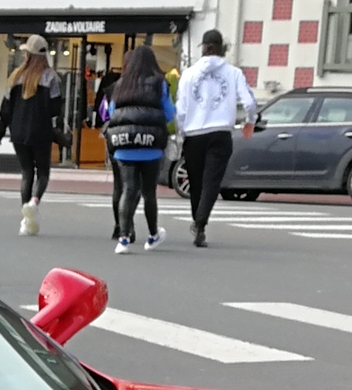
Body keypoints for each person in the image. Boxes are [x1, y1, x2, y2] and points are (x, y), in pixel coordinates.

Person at [173, 27, 255, 248]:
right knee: (212, 181)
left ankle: (196, 219)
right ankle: (201, 223)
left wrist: (181, 132)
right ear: (222, 49)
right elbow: (248, 101)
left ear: (203, 48)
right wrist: (250, 121)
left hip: (194, 134)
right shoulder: (234, 73)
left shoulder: (189, 74)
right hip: (220, 132)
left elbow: (180, 108)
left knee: (196, 181)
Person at [101, 43, 170, 253]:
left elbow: (111, 113)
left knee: (128, 189)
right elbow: (169, 113)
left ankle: (123, 239)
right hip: (151, 143)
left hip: (124, 144)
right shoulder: (159, 84)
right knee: (149, 191)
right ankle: (152, 235)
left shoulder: (120, 85)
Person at [0, 37, 63, 236]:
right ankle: (34, 202)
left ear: (28, 54)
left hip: (18, 131)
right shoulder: (51, 78)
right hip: (41, 131)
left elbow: (6, 108)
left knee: (26, 172)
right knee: (42, 172)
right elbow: (55, 109)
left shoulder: (15, 77)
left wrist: (0, 131)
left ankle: (25, 219)